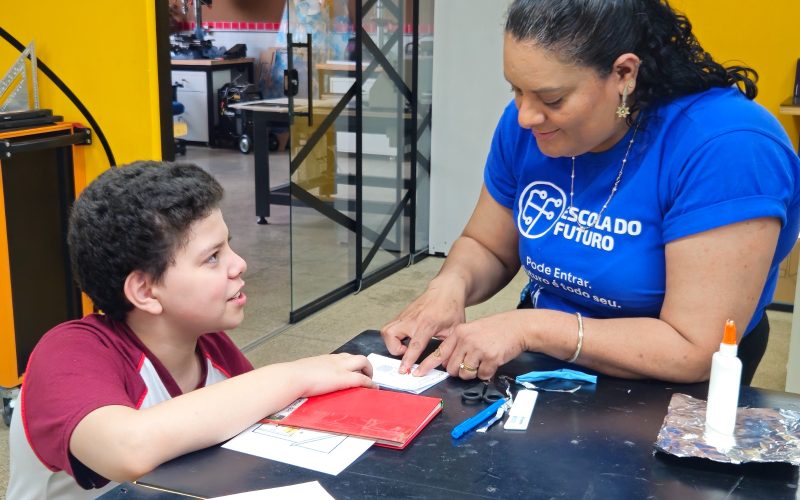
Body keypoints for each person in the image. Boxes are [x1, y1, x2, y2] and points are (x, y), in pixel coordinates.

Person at [381, 0, 800, 386]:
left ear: (624, 74)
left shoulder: (728, 147)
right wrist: (449, 287)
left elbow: (692, 348)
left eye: (552, 98)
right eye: (515, 89)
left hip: (668, 387)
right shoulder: (529, 125)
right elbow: (487, 246)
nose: (525, 115)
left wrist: (530, 328)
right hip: (547, 356)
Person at [6, 161, 375, 499]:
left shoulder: (212, 349)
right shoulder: (70, 352)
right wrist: (293, 376)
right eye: (212, 257)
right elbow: (128, 447)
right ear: (146, 291)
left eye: (228, 245)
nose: (239, 264)